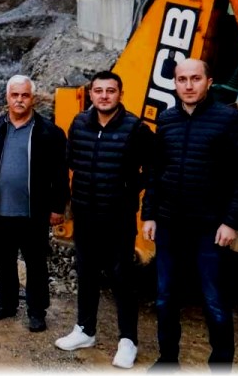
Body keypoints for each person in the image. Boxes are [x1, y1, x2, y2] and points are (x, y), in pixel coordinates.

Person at [142, 59, 238, 369]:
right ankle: (167, 361)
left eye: (195, 79)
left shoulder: (228, 120)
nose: (188, 85)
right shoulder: (165, 121)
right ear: (174, 84)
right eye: (182, 79)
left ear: (209, 81)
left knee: (214, 301)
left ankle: (220, 366)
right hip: (168, 224)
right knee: (165, 298)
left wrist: (231, 222)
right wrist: (149, 214)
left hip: (209, 228)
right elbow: (154, 172)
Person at [54, 71, 155, 369]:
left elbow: (153, 169)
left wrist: (130, 188)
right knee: (85, 271)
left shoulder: (135, 128)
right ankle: (85, 330)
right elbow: (70, 161)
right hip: (86, 213)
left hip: (118, 215)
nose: (104, 96)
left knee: (121, 276)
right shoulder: (80, 123)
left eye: (110, 91)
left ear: (120, 94)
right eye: (98, 91)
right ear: (91, 94)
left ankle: (128, 341)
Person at [0, 74, 68, 332]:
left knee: (36, 262)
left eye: (24, 95)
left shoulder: (49, 132)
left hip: (33, 212)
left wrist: (58, 207)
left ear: (32, 98)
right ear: (7, 97)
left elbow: (60, 172)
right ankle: (6, 303)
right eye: (15, 95)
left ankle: (37, 311)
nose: (19, 100)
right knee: (2, 259)